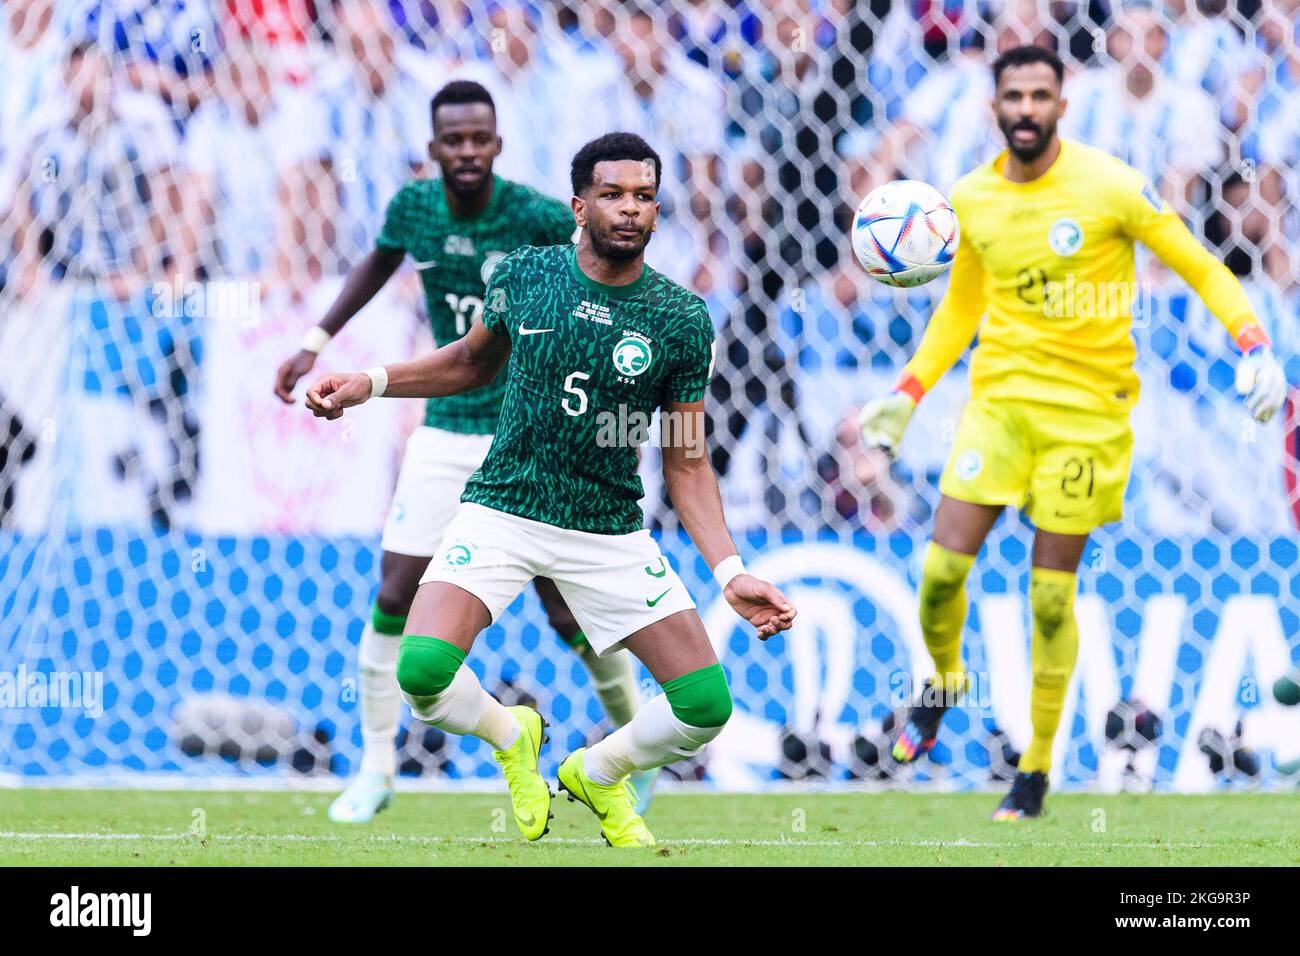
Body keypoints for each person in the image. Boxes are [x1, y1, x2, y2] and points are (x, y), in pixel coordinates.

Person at [303, 132, 797, 846]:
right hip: (504, 505)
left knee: (704, 707)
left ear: (658, 211)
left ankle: (598, 770)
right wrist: (370, 384)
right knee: (423, 671)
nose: (630, 209)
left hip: (607, 529)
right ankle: (512, 733)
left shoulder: (682, 320)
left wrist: (730, 572)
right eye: (613, 194)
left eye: (644, 196)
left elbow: (687, 463)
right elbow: (471, 363)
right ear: (578, 205)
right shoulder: (529, 273)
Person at [858, 45, 1287, 820]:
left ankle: (1035, 767)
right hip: (1000, 410)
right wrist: (907, 392)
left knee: (1051, 602)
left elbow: (1200, 264)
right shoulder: (973, 198)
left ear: (1062, 104)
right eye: (1013, 96)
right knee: (941, 575)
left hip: (1088, 423)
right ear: (995, 106)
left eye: (1040, 96)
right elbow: (960, 310)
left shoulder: (1108, 185)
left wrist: (1254, 343)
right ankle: (945, 680)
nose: (1026, 109)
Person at [274, 83, 655, 824]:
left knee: (567, 609)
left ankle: (633, 750)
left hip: (530, 431)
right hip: (446, 427)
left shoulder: (539, 217)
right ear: (435, 147)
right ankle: (378, 767)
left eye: (480, 139)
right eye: (455, 141)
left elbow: (607, 272)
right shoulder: (414, 210)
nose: (469, 152)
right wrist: (313, 343)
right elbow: (376, 267)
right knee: (394, 592)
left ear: (499, 143)